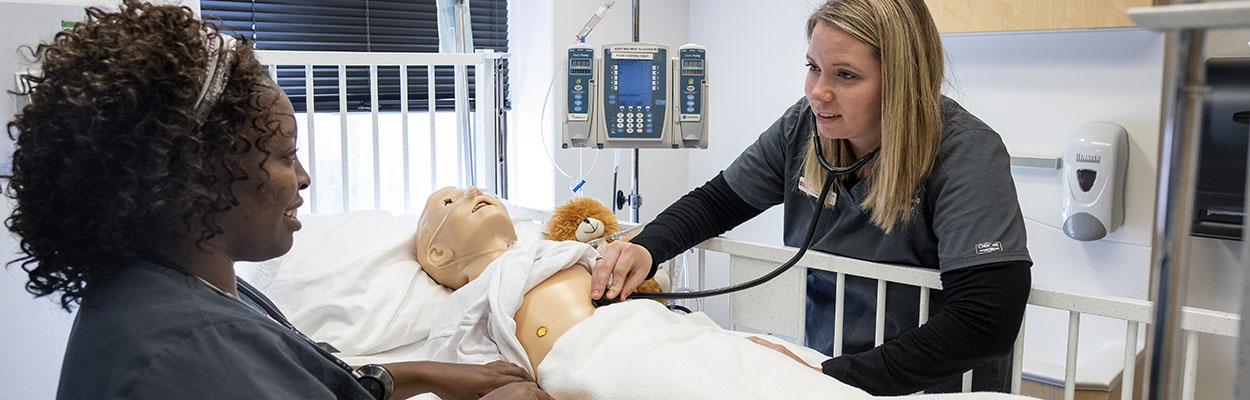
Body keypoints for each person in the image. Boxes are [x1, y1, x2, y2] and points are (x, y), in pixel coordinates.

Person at [5, 2, 550, 399]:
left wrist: (419, 373)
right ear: (198, 176)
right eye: (286, 155)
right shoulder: (192, 354)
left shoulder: (177, 288)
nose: (305, 178)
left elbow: (303, 374)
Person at [589, 0, 1032, 395]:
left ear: (901, 81)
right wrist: (647, 247)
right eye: (813, 67)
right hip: (829, 367)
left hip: (931, 384)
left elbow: (985, 320)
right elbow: (719, 201)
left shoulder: (965, 152)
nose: (817, 92)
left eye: (846, 75)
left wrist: (830, 378)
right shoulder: (803, 128)